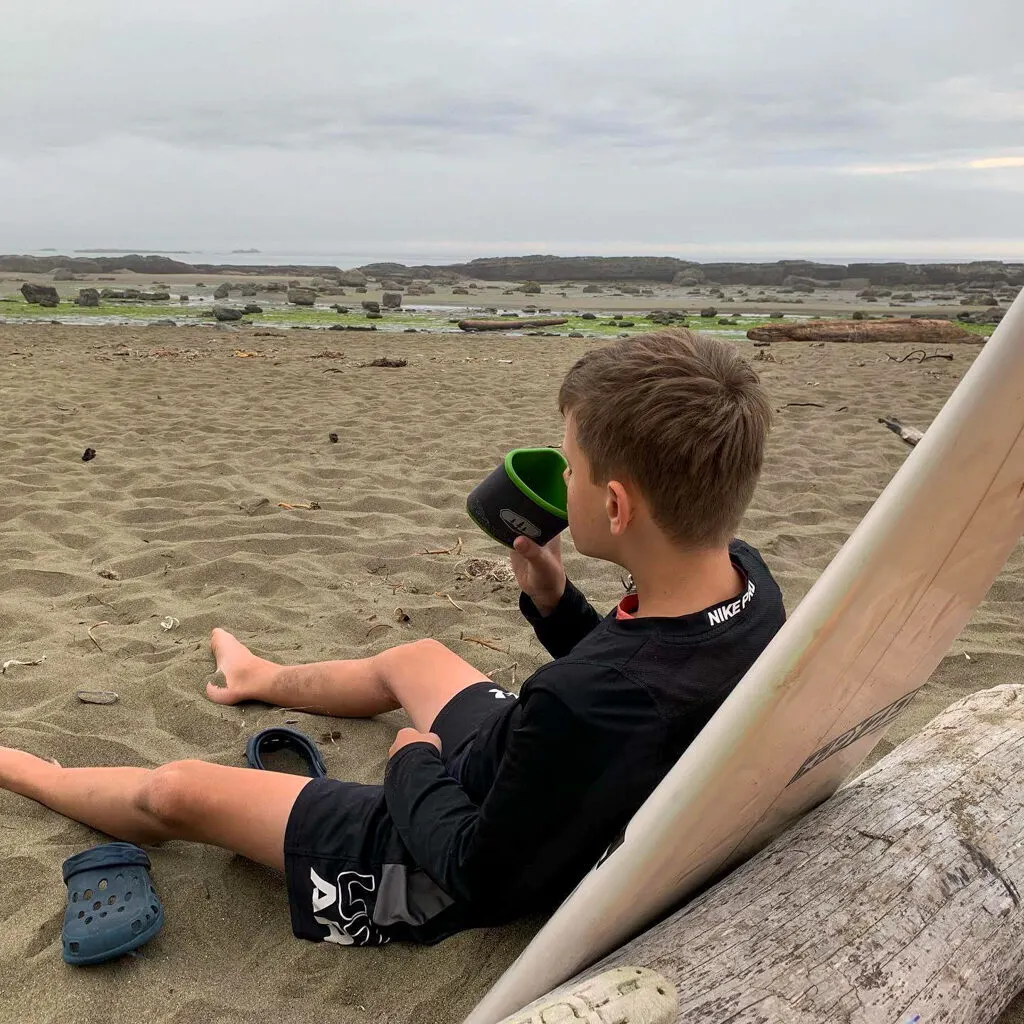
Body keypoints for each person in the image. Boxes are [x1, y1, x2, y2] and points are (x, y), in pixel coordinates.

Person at [0, 329, 785, 947]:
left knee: (175, 791)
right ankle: (255, 676)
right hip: (547, 765)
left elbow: (482, 875)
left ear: (614, 506)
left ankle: (28, 770)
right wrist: (556, 604)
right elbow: (641, 680)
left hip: (439, 857)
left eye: (570, 468)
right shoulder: (746, 585)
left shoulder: (583, 698)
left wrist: (410, 762)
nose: (563, 482)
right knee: (415, 657)